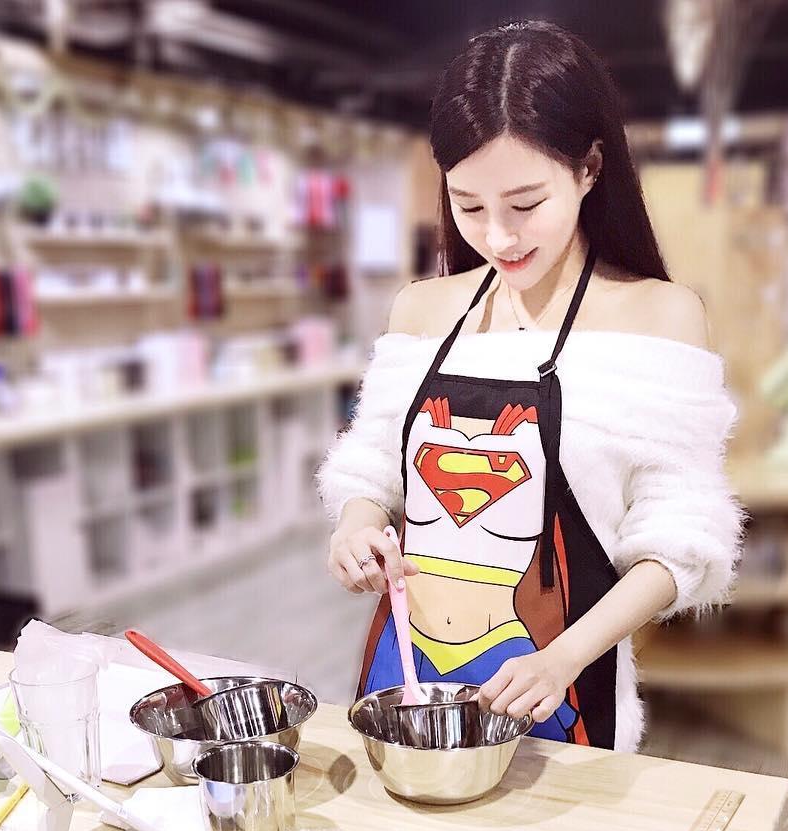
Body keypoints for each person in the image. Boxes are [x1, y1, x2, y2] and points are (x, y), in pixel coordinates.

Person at [316, 20, 743, 751]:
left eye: (525, 205)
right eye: (468, 205)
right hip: (409, 677)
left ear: (589, 169)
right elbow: (374, 462)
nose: (498, 237)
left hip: (559, 682)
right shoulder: (422, 310)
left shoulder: (660, 318)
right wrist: (356, 525)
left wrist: (563, 657)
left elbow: (684, 537)